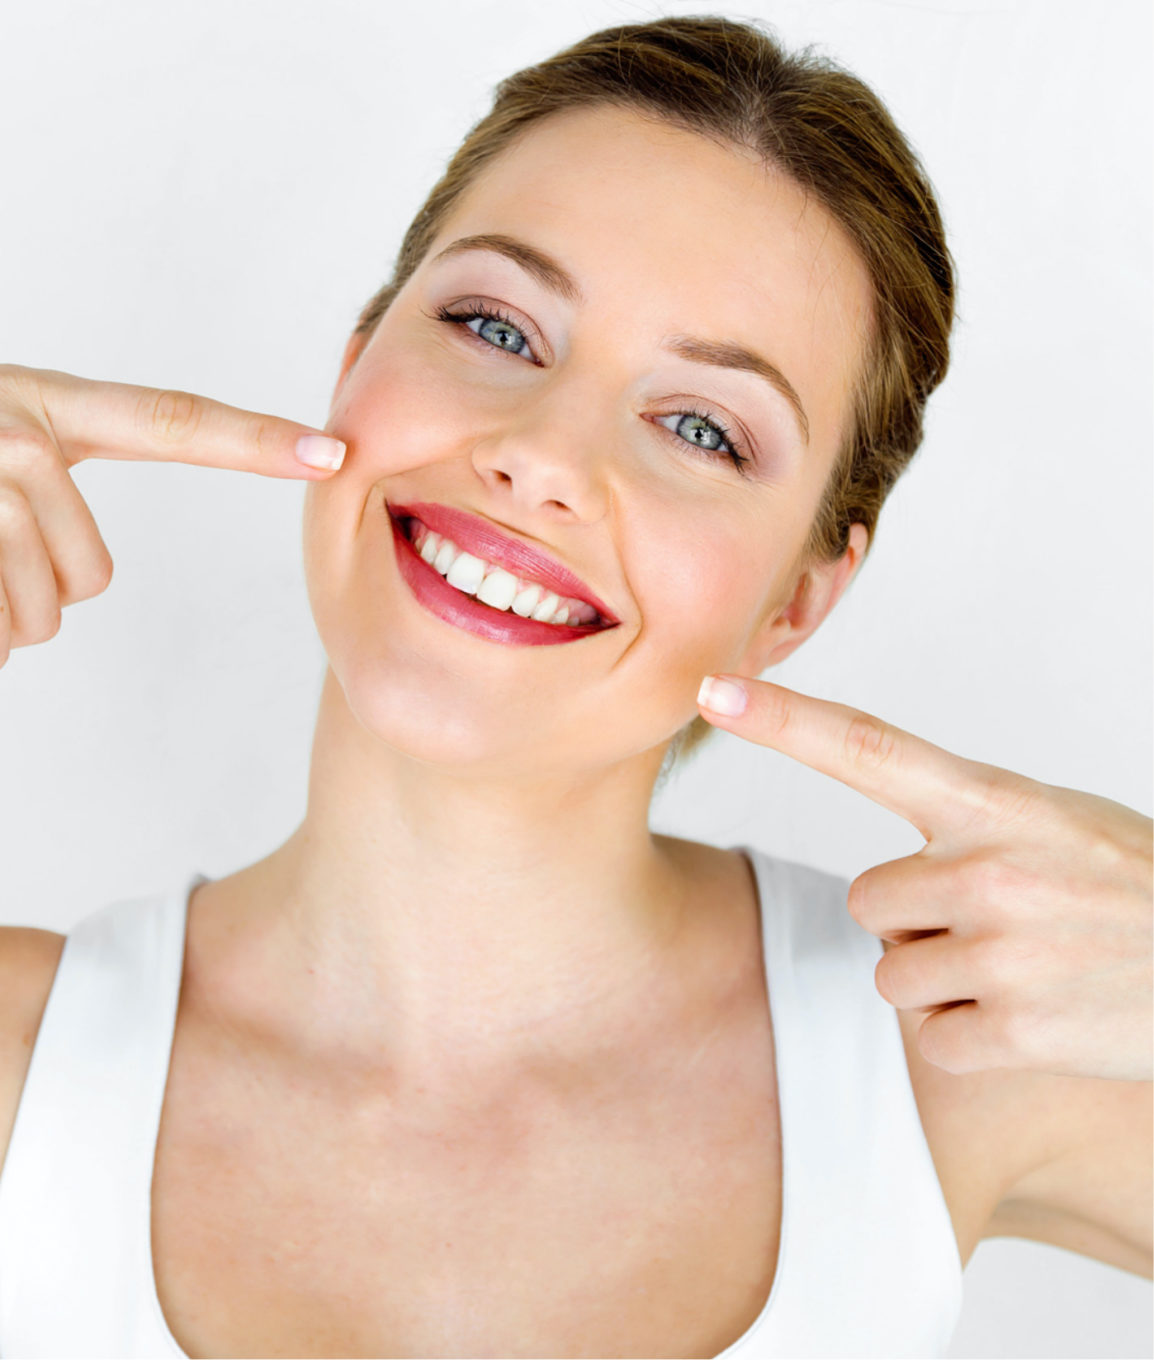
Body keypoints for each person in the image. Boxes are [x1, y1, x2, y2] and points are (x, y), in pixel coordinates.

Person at [0, 14, 1149, 1359]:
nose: (542, 455)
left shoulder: (947, 1060)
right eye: (494, 323)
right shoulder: (28, 1069)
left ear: (794, 598)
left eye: (700, 427)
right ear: (354, 361)